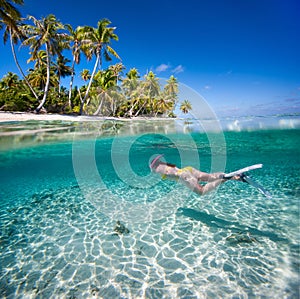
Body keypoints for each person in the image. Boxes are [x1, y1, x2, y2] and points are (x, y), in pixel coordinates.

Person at [149, 154, 242, 195]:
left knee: (201, 191)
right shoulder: (167, 163)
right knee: (209, 177)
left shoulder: (159, 169)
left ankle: (225, 178)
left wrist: (185, 178)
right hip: (188, 169)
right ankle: (236, 177)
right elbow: (175, 168)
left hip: (183, 176)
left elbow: (171, 173)